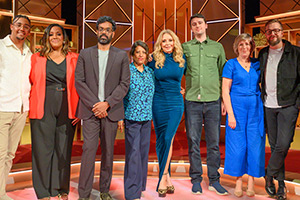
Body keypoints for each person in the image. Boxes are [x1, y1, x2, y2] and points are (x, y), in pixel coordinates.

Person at [75, 16, 130, 200]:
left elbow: (124, 84)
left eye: (107, 29)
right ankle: (84, 193)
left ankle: (104, 190)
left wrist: (107, 103)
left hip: (111, 111)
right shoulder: (85, 54)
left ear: (113, 33)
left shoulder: (121, 55)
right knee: (88, 151)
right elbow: (79, 82)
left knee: (108, 153)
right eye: (101, 29)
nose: (104, 32)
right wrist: (95, 105)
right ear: (96, 31)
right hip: (90, 112)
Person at [29, 24, 79, 200]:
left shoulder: (74, 58)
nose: (55, 37)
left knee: (63, 149)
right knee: (43, 150)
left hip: (68, 105)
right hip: (43, 104)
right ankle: (43, 192)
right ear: (46, 38)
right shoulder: (36, 58)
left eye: (59, 34)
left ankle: (60, 189)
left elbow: (80, 85)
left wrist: (80, 109)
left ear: (64, 38)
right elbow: (29, 81)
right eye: (51, 34)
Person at [182, 13, 228, 195]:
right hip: (192, 100)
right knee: (193, 141)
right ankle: (196, 179)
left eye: (200, 23)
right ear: (191, 28)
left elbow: (223, 74)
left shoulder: (217, 47)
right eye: (194, 24)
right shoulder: (185, 47)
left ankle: (214, 180)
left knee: (214, 142)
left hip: (213, 101)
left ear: (206, 25)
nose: (197, 26)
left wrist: (224, 99)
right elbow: (179, 70)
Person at [259, 19, 300, 200]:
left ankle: (268, 175)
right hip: (268, 106)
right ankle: (280, 186)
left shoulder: (296, 53)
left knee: (284, 144)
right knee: (275, 147)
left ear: (282, 32)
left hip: (288, 106)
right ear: (265, 34)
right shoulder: (263, 53)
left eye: (276, 30)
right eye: (268, 31)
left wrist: (297, 104)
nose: (272, 34)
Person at [222, 33, 265, 198]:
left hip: (255, 108)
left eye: (247, 44)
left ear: (252, 47)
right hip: (237, 108)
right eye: (241, 44)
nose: (244, 47)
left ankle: (251, 182)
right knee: (238, 146)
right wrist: (230, 114)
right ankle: (239, 181)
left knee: (254, 145)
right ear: (236, 47)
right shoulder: (230, 64)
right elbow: (225, 90)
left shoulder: (257, 64)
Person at [147, 29, 186, 198]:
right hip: (158, 103)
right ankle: (168, 176)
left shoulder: (181, 60)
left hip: (176, 104)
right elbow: (144, 76)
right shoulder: (153, 59)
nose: (168, 43)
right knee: (162, 139)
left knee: (168, 138)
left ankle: (162, 176)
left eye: (170, 40)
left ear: (174, 42)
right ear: (160, 44)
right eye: (164, 41)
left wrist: (184, 90)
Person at [118, 40, 155, 200]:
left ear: (147, 55)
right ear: (132, 55)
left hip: (147, 119)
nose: (140, 55)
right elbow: (120, 95)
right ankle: (131, 193)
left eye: (143, 52)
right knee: (133, 154)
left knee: (143, 154)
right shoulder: (127, 71)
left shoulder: (149, 72)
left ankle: (140, 186)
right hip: (131, 118)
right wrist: (120, 117)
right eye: (137, 52)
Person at [0, 15, 32, 200]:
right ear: (12, 26)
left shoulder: (29, 53)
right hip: (3, 107)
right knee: (1, 153)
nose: (22, 29)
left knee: (10, 154)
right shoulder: (1, 48)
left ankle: (1, 189)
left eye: (26, 27)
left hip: (21, 109)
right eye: (18, 25)